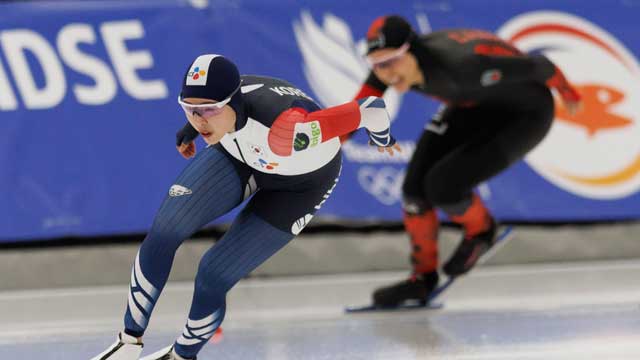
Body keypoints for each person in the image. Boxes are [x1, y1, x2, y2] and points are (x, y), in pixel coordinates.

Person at [92, 54, 400, 360]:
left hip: (300, 186)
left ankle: (183, 356)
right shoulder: (216, 114)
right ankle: (128, 342)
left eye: (208, 111)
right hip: (240, 156)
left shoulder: (290, 131)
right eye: (189, 110)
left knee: (214, 273)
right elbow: (204, 108)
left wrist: (382, 138)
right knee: (164, 231)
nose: (200, 120)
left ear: (233, 102)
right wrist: (193, 127)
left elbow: (371, 108)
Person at [344, 16, 582, 307]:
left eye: (391, 62)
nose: (385, 73)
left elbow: (542, 66)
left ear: (412, 50)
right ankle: (422, 278)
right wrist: (326, 145)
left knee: (443, 186)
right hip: (473, 105)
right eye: (376, 64)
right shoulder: (391, 69)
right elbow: (357, 113)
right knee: (414, 192)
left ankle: (482, 231)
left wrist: (569, 94)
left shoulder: (463, 68)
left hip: (525, 115)